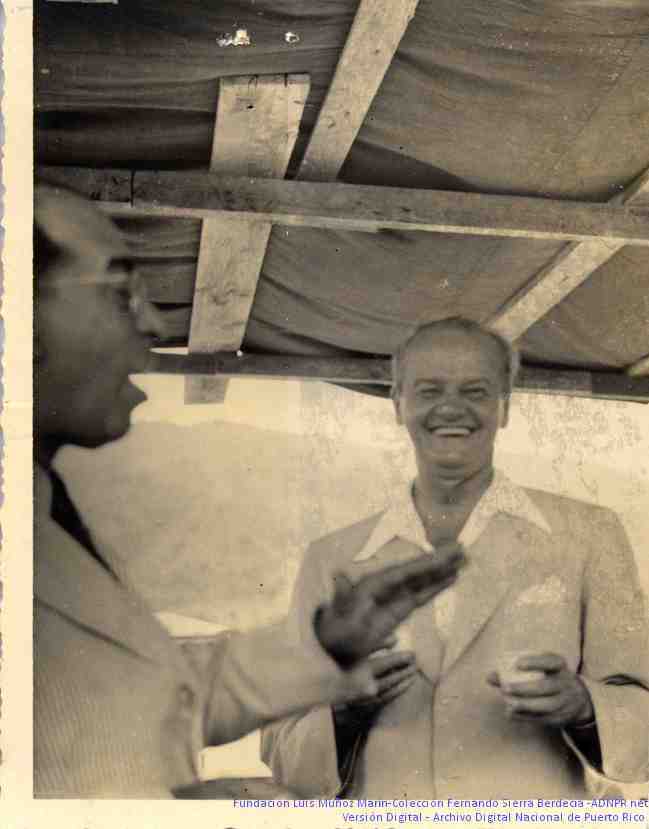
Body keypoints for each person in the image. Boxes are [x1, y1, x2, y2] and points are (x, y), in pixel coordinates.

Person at [33, 185, 466, 798]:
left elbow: (143, 702)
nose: (155, 324)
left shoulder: (46, 511)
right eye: (121, 292)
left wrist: (329, 642)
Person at [261, 317, 649, 799]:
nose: (450, 407)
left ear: (504, 406)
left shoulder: (589, 535)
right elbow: (282, 750)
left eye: (475, 390)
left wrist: (585, 708)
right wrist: (343, 712)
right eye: (428, 390)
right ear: (397, 403)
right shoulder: (331, 559)